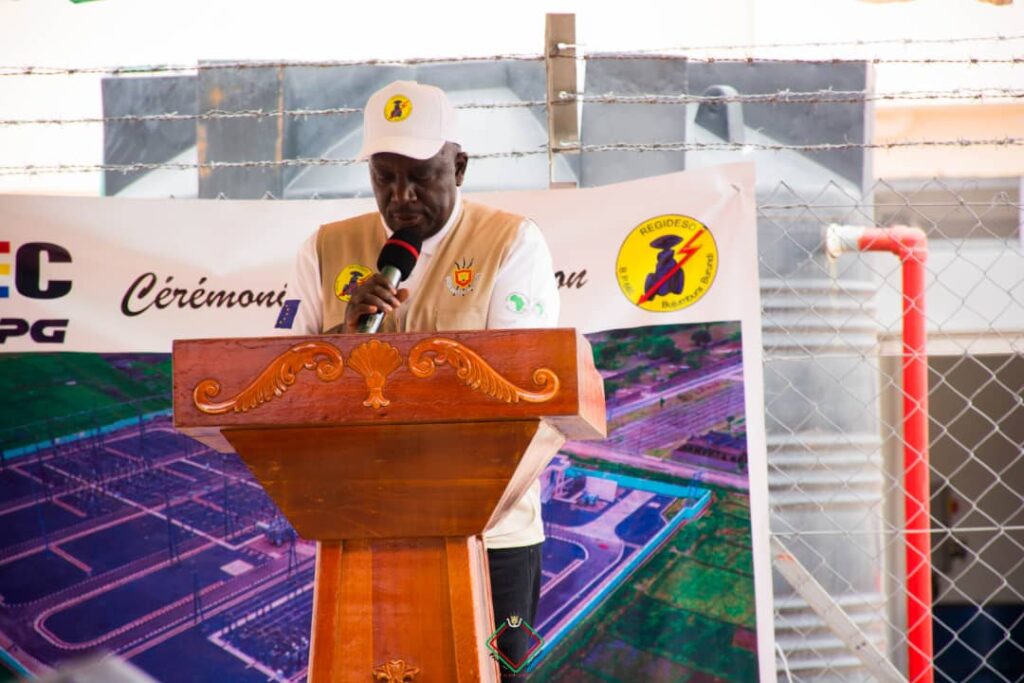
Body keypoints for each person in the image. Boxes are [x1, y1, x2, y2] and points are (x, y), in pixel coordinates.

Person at [292, 80, 558, 680]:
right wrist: (342, 335)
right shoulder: (325, 249)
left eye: (420, 176)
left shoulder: (511, 243)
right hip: (366, 530)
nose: (402, 196)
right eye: (384, 177)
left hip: (492, 536)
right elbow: (277, 380)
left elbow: (519, 386)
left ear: (458, 167)